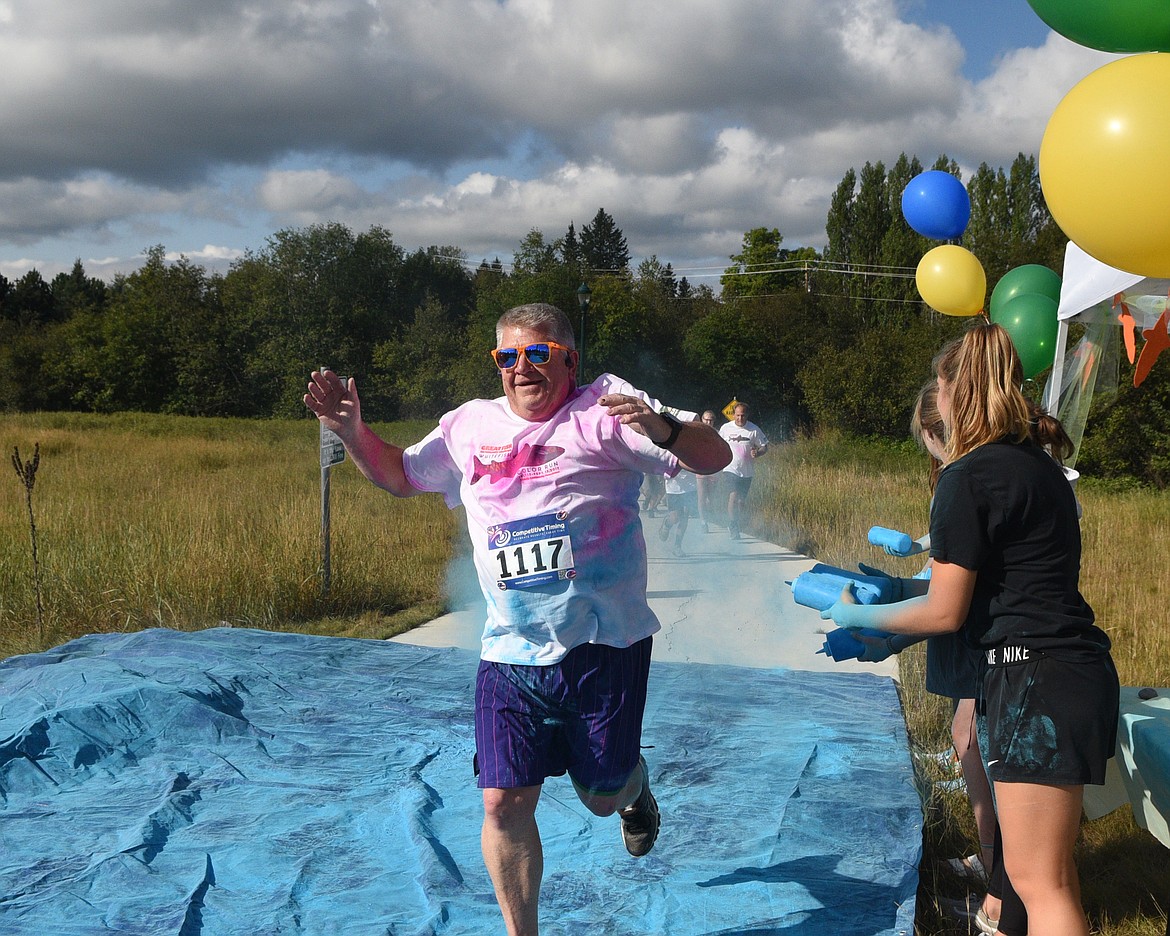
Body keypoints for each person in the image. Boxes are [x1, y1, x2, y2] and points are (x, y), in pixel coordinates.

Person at [304, 302, 731, 936]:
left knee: (601, 795)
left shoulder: (608, 407)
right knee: (502, 803)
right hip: (509, 653)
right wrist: (351, 430)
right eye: (509, 357)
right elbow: (398, 474)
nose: (522, 369)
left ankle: (633, 790)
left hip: (604, 644)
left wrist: (666, 428)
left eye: (539, 354)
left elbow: (714, 457)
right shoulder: (468, 426)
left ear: (569, 359)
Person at [823, 323, 1119, 936]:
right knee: (1045, 878)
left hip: (1032, 680)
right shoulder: (1037, 465)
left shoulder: (968, 475)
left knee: (1044, 887)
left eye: (941, 387)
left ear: (957, 390)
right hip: (1073, 671)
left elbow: (945, 611)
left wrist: (858, 614)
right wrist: (892, 628)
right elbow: (1000, 587)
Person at [718, 402, 769, 539]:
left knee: (741, 502)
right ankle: (733, 525)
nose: (740, 418)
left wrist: (758, 453)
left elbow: (764, 446)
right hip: (730, 468)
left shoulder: (753, 429)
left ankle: (736, 523)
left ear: (747, 415)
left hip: (746, 471)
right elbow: (718, 444)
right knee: (733, 496)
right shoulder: (725, 428)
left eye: (743, 416)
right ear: (733, 415)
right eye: (738, 415)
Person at [658, 465, 697, 556]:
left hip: (690, 486)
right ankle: (667, 523)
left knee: (685, 516)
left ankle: (677, 546)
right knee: (675, 518)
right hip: (673, 487)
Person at [696, 410, 721, 532]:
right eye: (706, 419)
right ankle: (703, 522)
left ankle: (711, 516)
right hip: (700, 468)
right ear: (702, 419)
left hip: (714, 469)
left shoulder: (718, 433)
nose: (708, 422)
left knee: (711, 497)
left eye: (711, 420)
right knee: (701, 496)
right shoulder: (696, 432)